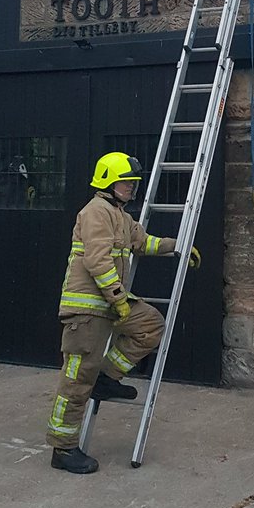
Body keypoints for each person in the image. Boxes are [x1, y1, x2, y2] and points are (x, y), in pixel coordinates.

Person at [46, 151, 201, 474]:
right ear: (107, 183)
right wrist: (118, 299)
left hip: (110, 302)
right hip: (86, 310)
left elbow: (143, 242)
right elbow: (97, 261)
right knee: (77, 380)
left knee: (150, 325)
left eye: (133, 182)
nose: (131, 187)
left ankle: (107, 378)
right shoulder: (95, 212)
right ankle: (63, 448)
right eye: (126, 182)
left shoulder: (120, 216)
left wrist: (178, 246)